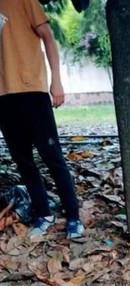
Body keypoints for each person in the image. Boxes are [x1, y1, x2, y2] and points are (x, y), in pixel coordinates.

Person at [0, 0, 85, 239]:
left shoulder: (24, 1)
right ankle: (44, 214)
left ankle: (74, 218)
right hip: (3, 97)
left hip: (32, 91)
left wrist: (56, 80)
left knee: (52, 157)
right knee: (23, 161)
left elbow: (48, 36)